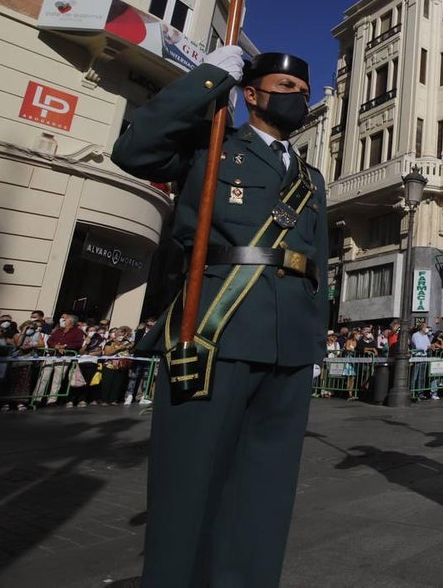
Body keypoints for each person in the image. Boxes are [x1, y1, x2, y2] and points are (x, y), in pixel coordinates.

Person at [112, 46, 328, 587]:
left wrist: (314, 340)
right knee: (189, 481)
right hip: (216, 329)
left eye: (304, 92)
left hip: (288, 340)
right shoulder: (212, 144)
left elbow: (317, 264)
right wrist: (208, 79)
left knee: (266, 488)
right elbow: (134, 150)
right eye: (285, 88)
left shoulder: (312, 177)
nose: (298, 99)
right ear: (250, 93)